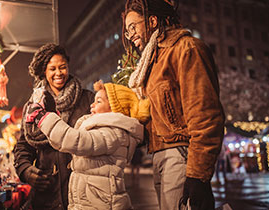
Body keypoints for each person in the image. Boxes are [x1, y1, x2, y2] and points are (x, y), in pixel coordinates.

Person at [122, 0, 225, 209]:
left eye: (133, 26)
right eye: (127, 31)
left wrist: (197, 175)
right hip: (160, 156)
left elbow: (205, 116)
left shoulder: (186, 48)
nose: (130, 34)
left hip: (181, 155)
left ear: (152, 21)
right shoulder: (152, 63)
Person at [24, 80, 150, 209]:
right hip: (92, 200)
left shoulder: (112, 133)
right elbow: (65, 140)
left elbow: (75, 141)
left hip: (101, 203)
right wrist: (51, 117)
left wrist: (42, 118)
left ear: (114, 107)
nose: (92, 105)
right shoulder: (104, 130)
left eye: (99, 101)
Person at [13, 43, 94, 210]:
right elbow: (23, 146)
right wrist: (26, 171)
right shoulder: (33, 106)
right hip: (47, 194)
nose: (58, 73)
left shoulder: (87, 99)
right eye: (52, 69)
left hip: (84, 191)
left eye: (62, 67)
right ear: (44, 71)